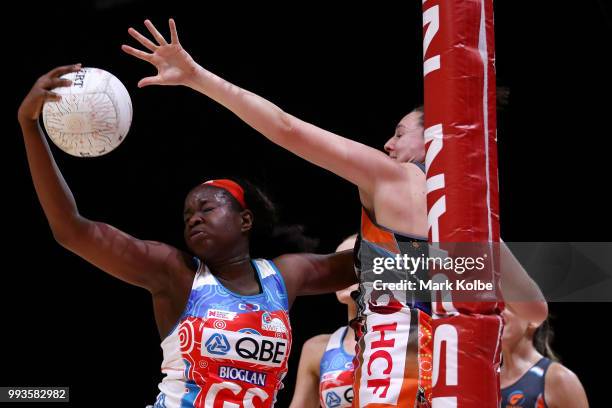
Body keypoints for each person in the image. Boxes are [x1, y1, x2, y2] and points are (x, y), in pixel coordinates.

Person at [121, 19, 548, 406]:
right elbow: (534, 311)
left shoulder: (394, 180)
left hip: (387, 393)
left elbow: (287, 128)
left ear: (433, 137)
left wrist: (198, 77)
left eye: (400, 132)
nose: (389, 145)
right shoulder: (473, 223)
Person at [17, 65, 357, 408]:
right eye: (187, 214)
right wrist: (29, 126)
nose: (194, 217)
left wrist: (402, 195)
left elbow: (367, 264)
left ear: (245, 220)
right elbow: (71, 230)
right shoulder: (175, 273)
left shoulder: (284, 277)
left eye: (207, 209)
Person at [289, 235, 358, 408]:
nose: (345, 274)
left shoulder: (410, 340)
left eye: (357, 264)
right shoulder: (317, 349)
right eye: (338, 267)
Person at [501, 307, 589, 408]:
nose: (498, 310)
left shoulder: (559, 378)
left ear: (534, 320)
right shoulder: (488, 381)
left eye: (508, 305)